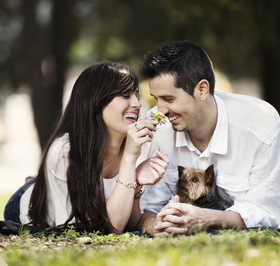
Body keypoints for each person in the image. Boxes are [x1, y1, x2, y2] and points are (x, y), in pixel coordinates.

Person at [4, 62, 169, 234]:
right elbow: (104, 229)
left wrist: (136, 185)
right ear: (96, 101)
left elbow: (128, 222)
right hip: (29, 205)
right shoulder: (65, 151)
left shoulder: (145, 145)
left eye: (136, 95)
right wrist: (128, 159)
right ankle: (38, 181)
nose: (137, 104)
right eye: (125, 96)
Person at [137, 41, 280, 236]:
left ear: (202, 90)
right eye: (156, 99)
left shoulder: (260, 125)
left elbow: (268, 210)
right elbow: (148, 209)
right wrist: (154, 226)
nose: (160, 111)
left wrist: (206, 219)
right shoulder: (157, 127)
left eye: (169, 99)